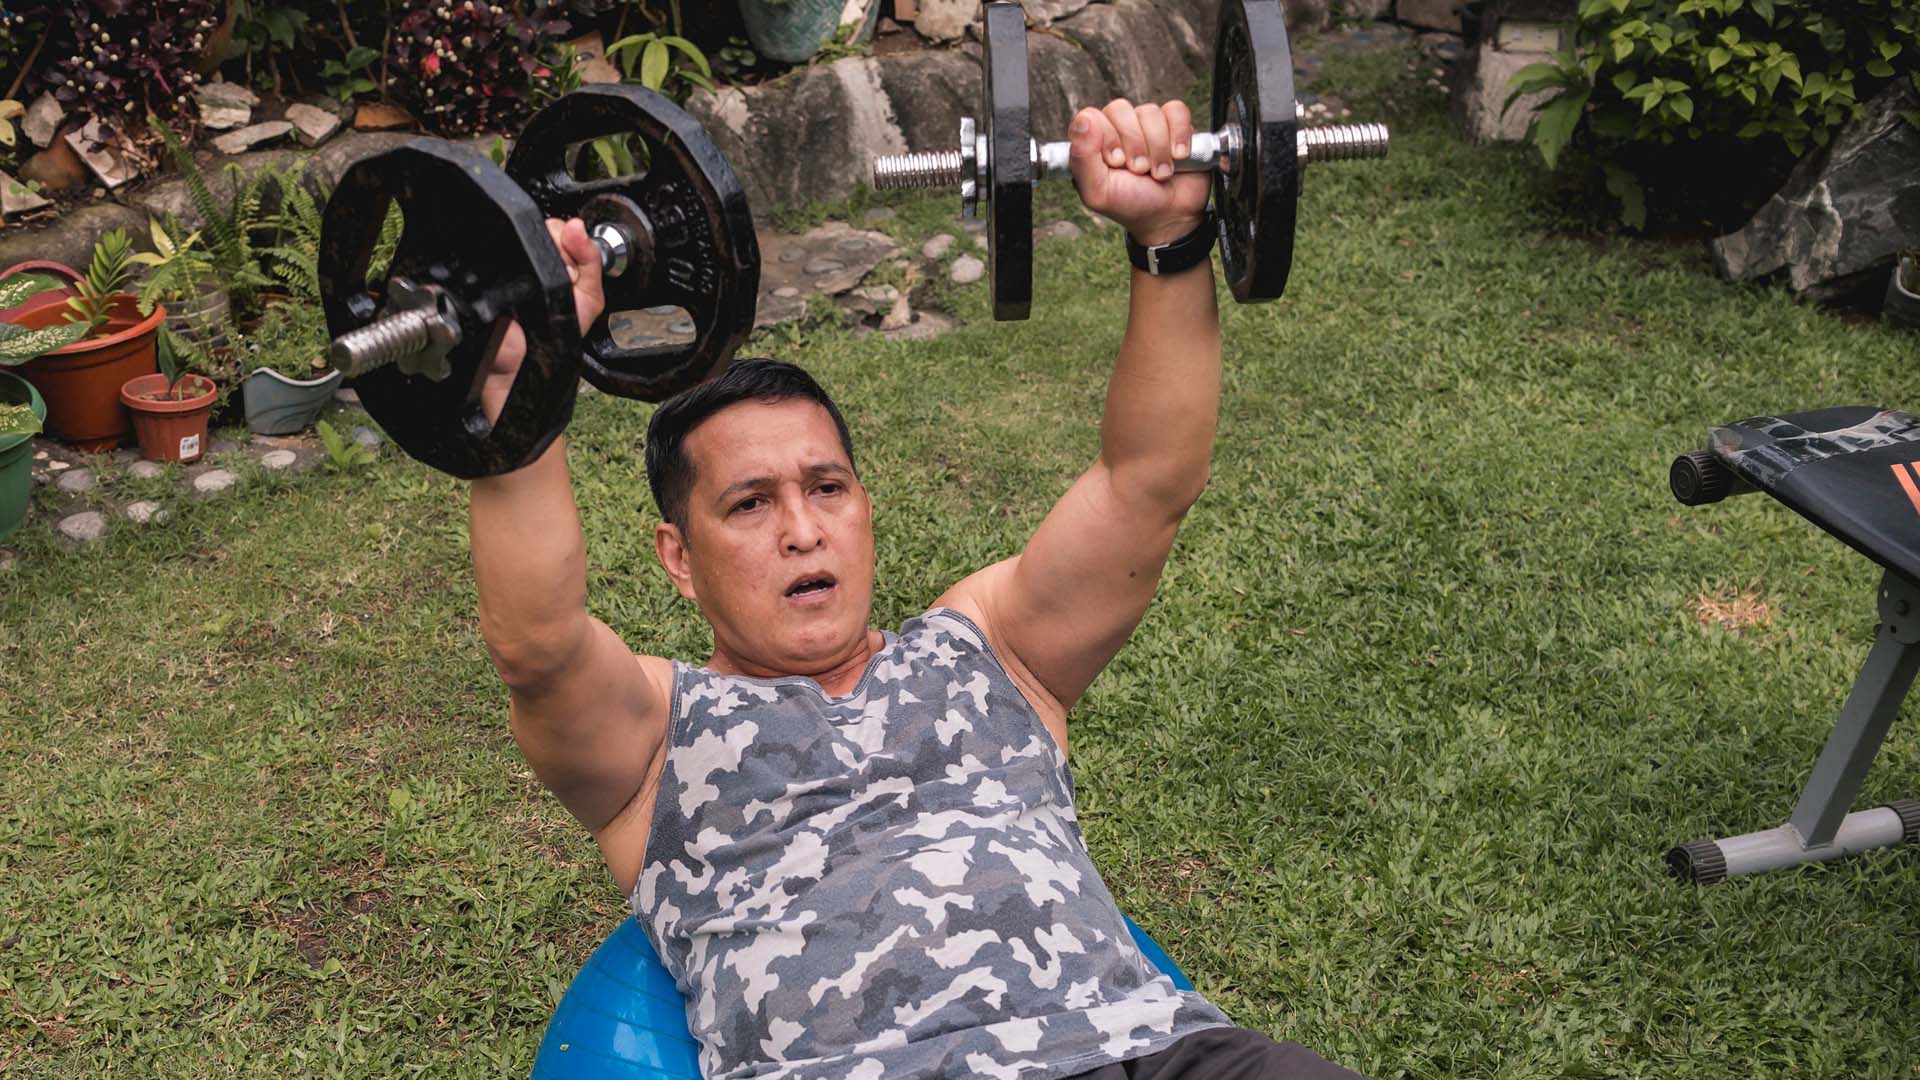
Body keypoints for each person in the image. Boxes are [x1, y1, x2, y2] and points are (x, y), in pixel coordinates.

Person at [471, 99, 1364, 1080]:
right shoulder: (657, 737)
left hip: (1147, 1053)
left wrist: (1170, 236)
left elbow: (1145, 485)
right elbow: (539, 644)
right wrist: (527, 372)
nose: (803, 529)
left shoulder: (990, 647)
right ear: (678, 557)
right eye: (750, 504)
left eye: (826, 488)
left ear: (864, 506)